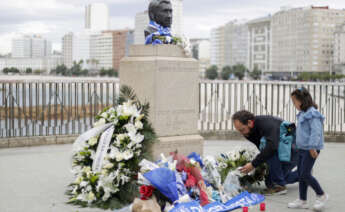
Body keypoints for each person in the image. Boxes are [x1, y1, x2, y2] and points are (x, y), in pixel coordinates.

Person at [232, 110, 298, 195]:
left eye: (242, 129)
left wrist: (253, 164)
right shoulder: (248, 132)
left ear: (249, 122)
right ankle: (303, 174)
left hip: (293, 150)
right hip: (280, 150)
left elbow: (271, 148)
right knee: (270, 182)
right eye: (239, 131)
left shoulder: (266, 124)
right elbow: (261, 147)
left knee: (274, 181)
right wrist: (262, 165)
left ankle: (280, 186)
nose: (241, 133)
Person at [288, 87, 328, 210]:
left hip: (310, 149)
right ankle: (302, 200)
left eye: (294, 102)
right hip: (302, 148)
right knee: (301, 174)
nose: (294, 104)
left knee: (305, 173)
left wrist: (312, 147)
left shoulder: (312, 113)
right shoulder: (303, 113)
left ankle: (322, 195)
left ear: (302, 100)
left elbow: (316, 132)